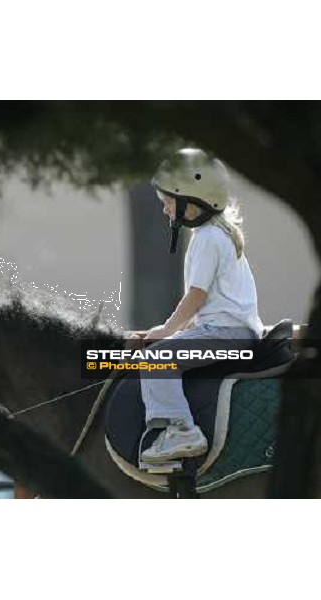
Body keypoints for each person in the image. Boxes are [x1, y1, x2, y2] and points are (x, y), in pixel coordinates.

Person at [136, 148, 264, 464]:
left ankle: (183, 431)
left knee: (157, 358)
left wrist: (167, 330)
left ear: (191, 203)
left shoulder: (207, 238)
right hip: (232, 331)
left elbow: (196, 296)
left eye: (167, 203)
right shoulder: (220, 233)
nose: (166, 211)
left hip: (226, 334)